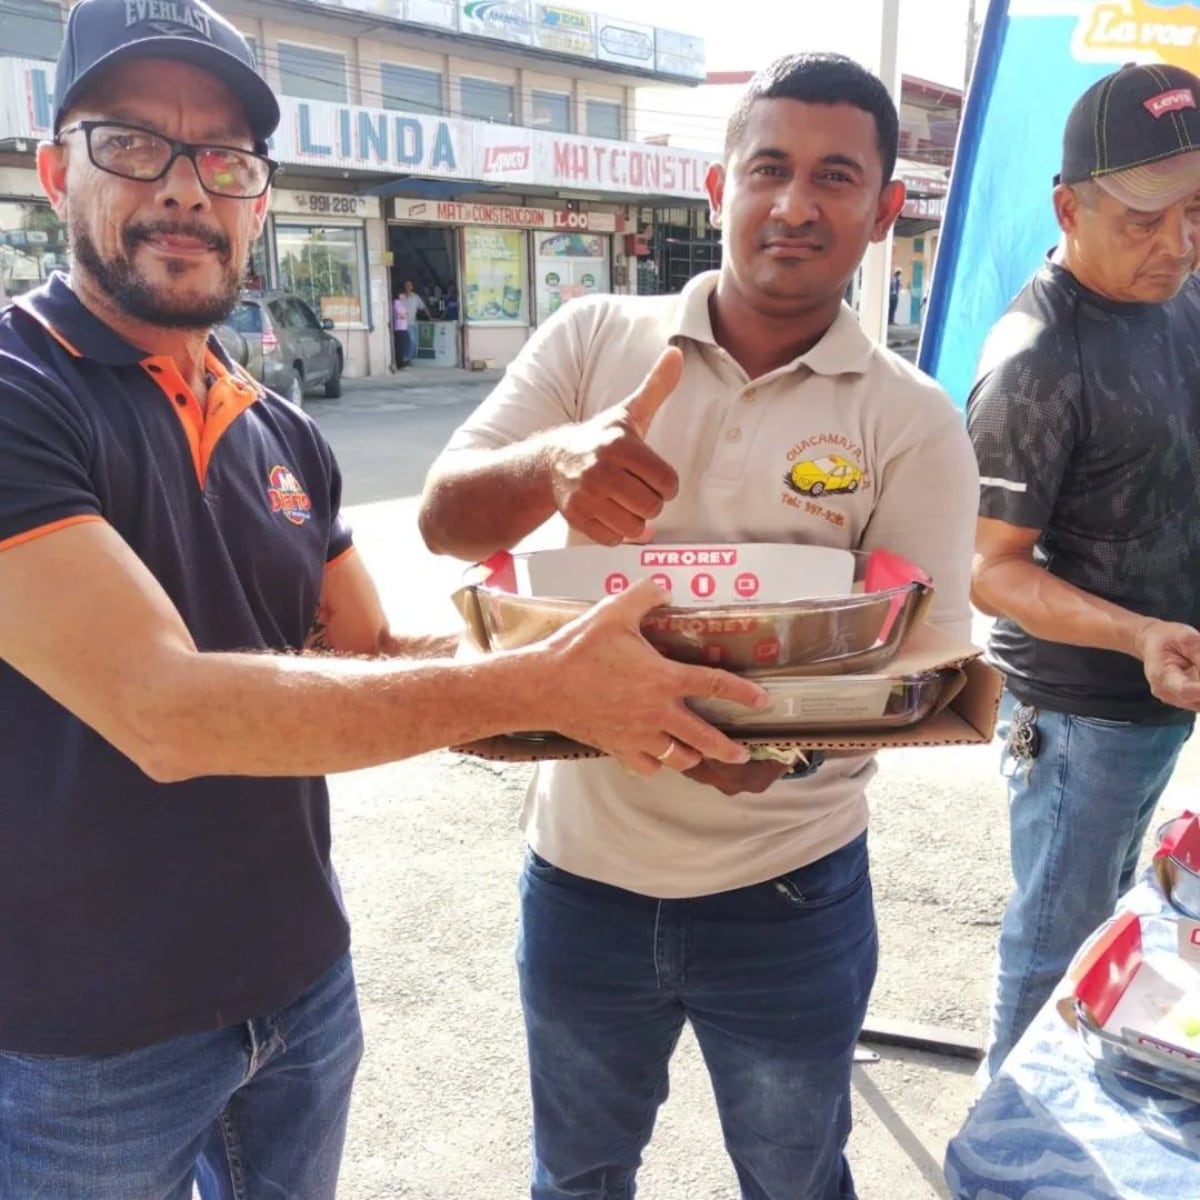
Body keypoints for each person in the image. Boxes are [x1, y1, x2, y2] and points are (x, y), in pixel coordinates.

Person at [0, 2, 769, 1196]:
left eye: (226, 158)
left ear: (260, 197)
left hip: (300, 994)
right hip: (84, 1047)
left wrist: (622, 684)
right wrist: (541, 682)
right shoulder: (20, 394)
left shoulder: (283, 429)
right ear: (56, 170)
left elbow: (368, 652)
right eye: (133, 143)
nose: (186, 188)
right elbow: (165, 712)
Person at [419, 53, 979, 1200]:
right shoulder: (590, 343)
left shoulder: (910, 420)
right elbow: (441, 517)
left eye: (835, 176)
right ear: (717, 191)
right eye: (768, 167)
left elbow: (928, 669)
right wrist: (557, 461)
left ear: (883, 211)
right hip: (582, 875)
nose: (794, 203)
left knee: (795, 1176)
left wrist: (775, 751)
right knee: (576, 1176)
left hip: (790, 891)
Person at [968, 62, 1200, 1082]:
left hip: (1163, 693)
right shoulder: (1036, 355)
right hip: (1080, 715)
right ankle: (1006, 1146)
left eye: (1197, 212)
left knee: (1118, 922)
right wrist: (1136, 634)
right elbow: (988, 569)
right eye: (1145, 220)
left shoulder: (1182, 298)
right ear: (1069, 206)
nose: (1177, 245)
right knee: (1054, 941)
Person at [400, 277, 426, 364]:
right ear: (404, 287)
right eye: (406, 285)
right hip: (403, 323)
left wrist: (431, 317)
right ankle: (405, 358)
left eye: (409, 285)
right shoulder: (401, 297)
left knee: (414, 342)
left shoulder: (415, 297)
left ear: (412, 287)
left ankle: (408, 358)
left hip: (413, 323)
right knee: (411, 340)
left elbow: (423, 307)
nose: (408, 287)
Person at [392, 287, 409, 368]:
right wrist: (405, 315)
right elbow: (403, 315)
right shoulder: (397, 302)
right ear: (399, 295)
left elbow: (406, 315)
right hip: (400, 328)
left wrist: (405, 315)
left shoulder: (401, 303)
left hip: (403, 327)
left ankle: (401, 361)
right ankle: (399, 363)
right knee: (400, 346)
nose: (404, 296)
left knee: (403, 345)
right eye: (403, 294)